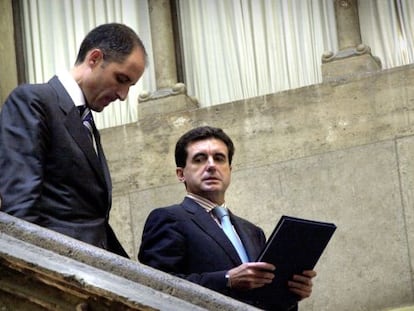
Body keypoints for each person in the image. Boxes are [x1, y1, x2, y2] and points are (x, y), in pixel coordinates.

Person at [0, 23, 147, 257]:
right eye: (121, 79)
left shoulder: (85, 122)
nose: (123, 95)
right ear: (94, 58)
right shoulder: (34, 100)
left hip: (95, 267)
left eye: (130, 86)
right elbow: (20, 209)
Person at [138, 126, 317, 310]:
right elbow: (155, 287)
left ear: (229, 169)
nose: (211, 165)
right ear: (181, 174)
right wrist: (227, 280)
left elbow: (262, 299)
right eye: (199, 159)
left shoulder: (253, 232)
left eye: (219, 158)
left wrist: (290, 295)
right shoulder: (168, 218)